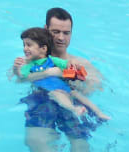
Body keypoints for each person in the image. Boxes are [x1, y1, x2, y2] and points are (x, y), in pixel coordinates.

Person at [20, 8, 103, 152]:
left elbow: (96, 87)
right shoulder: (31, 61)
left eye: (66, 33)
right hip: (42, 102)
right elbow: (17, 77)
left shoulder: (81, 63)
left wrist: (76, 82)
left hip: (74, 104)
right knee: (35, 141)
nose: (61, 38)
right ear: (46, 29)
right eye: (56, 32)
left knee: (80, 147)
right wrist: (47, 73)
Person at [12, 27, 110, 122]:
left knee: (81, 97)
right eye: (24, 45)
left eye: (29, 45)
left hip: (65, 87)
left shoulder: (52, 60)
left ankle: (99, 113)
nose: (25, 48)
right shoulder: (29, 65)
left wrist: (73, 63)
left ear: (43, 49)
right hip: (54, 90)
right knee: (59, 96)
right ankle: (74, 109)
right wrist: (16, 69)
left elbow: (66, 63)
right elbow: (21, 76)